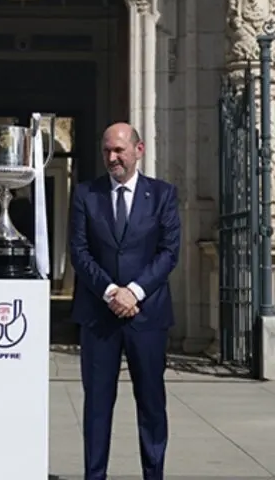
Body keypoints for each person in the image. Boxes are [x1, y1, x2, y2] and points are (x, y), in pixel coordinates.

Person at [69, 122, 181, 480]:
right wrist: (110, 292)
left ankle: (153, 474)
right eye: (107, 150)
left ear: (139, 150)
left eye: (119, 150)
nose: (112, 157)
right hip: (98, 316)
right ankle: (95, 475)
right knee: (97, 406)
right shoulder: (86, 194)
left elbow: (169, 252)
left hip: (147, 316)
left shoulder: (162, 195)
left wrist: (134, 291)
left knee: (151, 404)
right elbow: (79, 252)